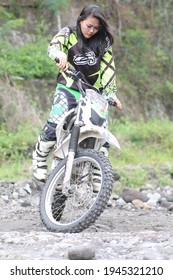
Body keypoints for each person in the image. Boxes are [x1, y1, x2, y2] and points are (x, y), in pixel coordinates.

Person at [32, 4, 122, 186]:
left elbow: (108, 69)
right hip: (69, 87)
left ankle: (99, 175)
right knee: (55, 122)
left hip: (94, 94)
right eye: (89, 26)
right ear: (81, 20)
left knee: (102, 134)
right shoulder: (68, 34)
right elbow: (53, 47)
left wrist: (111, 94)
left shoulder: (103, 42)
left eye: (96, 28)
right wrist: (60, 55)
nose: (92, 31)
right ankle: (39, 161)